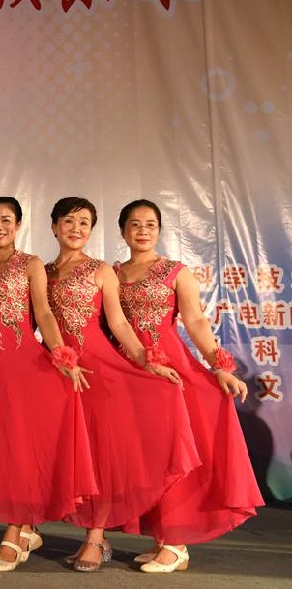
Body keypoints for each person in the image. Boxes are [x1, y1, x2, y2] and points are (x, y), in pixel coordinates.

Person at [44, 197, 201, 572]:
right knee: (72, 455)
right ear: (53, 227)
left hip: (99, 369)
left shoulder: (101, 270)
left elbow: (117, 324)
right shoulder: (42, 271)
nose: (76, 229)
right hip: (59, 372)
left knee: (103, 455)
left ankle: (98, 538)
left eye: (84, 223)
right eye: (69, 221)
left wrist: (148, 360)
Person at [115, 199, 263, 573]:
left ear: (159, 230)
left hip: (169, 370)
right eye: (135, 224)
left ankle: (175, 543)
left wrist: (219, 366)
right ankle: (161, 537)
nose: (143, 230)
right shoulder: (112, 274)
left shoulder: (176, 272)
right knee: (146, 455)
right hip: (129, 371)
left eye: (150, 224)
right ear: (123, 231)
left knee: (173, 453)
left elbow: (195, 320)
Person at [0, 196, 96, 572]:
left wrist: (62, 355)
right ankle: (24, 530)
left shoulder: (31, 264)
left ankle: (14, 530)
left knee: (21, 448)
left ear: (18, 225)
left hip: (23, 365)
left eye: (6, 219)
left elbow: (44, 313)